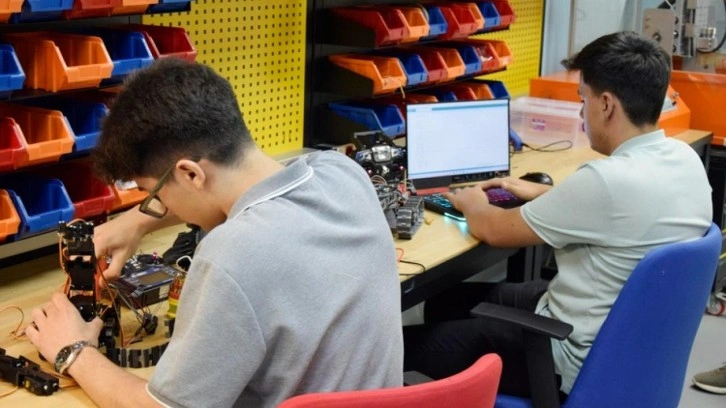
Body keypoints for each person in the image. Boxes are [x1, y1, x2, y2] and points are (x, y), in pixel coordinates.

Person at [24, 58, 404, 408]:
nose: (158, 206)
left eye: (153, 194)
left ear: (190, 173)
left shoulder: (230, 256)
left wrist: (73, 350)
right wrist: (137, 221)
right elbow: (258, 190)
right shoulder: (342, 173)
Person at [403, 31, 712, 399]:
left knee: (406, 345)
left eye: (583, 99)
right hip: (621, 341)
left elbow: (495, 229)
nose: (581, 112)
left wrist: (469, 200)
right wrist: (545, 193)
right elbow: (620, 212)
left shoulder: (605, 181)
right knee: (446, 301)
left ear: (606, 105)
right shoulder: (684, 159)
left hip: (567, 357)